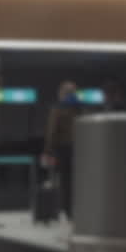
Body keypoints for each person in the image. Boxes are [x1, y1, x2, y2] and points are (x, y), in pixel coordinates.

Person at [42, 81, 79, 219]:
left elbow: (52, 131)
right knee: (78, 180)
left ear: (62, 93)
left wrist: (47, 150)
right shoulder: (81, 108)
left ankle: (68, 211)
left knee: (65, 180)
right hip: (81, 149)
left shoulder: (58, 108)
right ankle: (78, 209)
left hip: (64, 149)